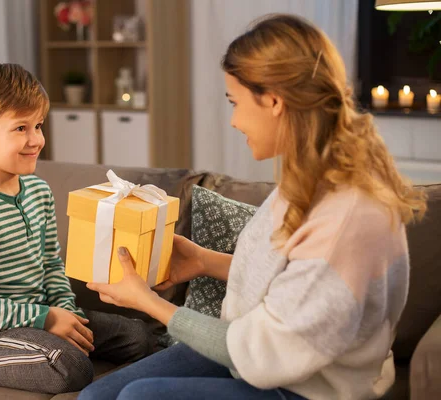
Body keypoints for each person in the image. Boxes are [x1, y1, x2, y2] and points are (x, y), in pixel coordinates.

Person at [79, 14, 427, 400]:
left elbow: (269, 351)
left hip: (309, 387)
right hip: (258, 359)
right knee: (96, 397)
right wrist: (203, 261)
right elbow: (292, 288)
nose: (233, 121)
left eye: (236, 102)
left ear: (274, 101)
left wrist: (148, 303)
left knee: (137, 398)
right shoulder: (309, 181)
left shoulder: (349, 217)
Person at [0, 63, 152, 400]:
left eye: (39, 125)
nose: (36, 139)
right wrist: (45, 318)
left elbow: (50, 264)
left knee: (139, 336)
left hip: (41, 317)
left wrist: (66, 313)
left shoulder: (38, 191)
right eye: (21, 128)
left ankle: (46, 346)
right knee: (70, 368)